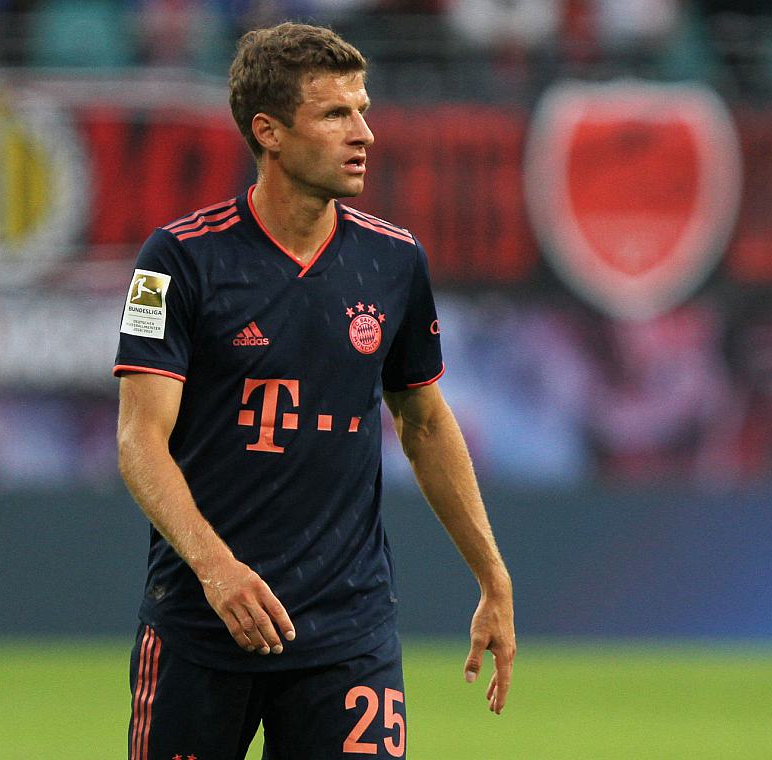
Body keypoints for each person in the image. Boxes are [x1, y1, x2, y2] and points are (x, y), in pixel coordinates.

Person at [113, 22, 515, 760]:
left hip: (347, 631)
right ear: (268, 132)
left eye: (362, 109)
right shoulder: (178, 260)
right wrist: (216, 569)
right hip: (204, 624)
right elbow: (141, 440)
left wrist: (492, 575)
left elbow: (424, 423)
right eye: (335, 114)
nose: (364, 133)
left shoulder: (394, 261)